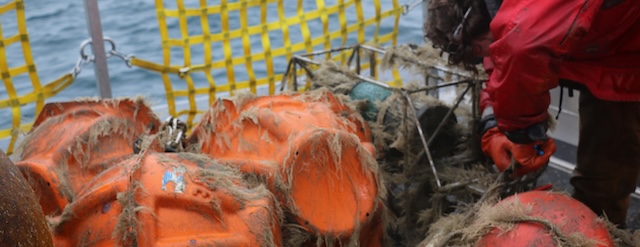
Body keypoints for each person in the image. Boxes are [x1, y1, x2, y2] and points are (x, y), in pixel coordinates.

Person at [424, 0, 640, 228]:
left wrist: (523, 135)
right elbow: (501, 57)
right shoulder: (501, 18)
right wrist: (492, 123)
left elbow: (520, 48)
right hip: (596, 46)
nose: (482, 58)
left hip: (628, 49)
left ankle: (602, 231)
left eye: (477, 52)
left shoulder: (523, 30)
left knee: (607, 178)